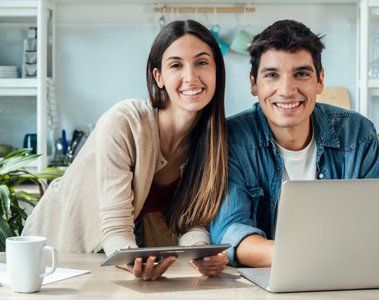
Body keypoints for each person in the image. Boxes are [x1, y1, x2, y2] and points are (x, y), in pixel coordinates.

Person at [24, 20, 229, 280]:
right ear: (159, 77)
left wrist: (202, 252)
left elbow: (193, 221)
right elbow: (115, 228)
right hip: (61, 253)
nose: (191, 76)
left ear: (216, 72)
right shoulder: (125, 122)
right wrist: (131, 257)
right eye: (176, 65)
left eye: (202, 62)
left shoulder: (214, 139)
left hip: (124, 256)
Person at [210, 20, 379, 267]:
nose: (287, 90)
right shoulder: (230, 139)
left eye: (301, 74)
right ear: (253, 83)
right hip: (262, 283)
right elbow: (231, 234)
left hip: (345, 277)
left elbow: (375, 225)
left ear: (320, 80)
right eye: (272, 75)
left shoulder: (358, 134)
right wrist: (311, 257)